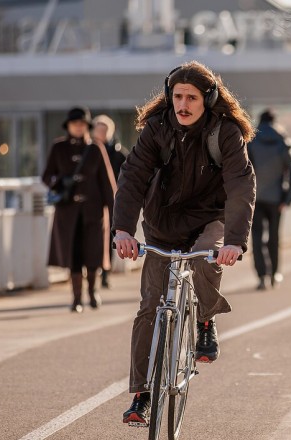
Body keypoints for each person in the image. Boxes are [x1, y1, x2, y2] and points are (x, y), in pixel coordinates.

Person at [112, 61, 256, 426]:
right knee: (149, 308)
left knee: (207, 259)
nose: (183, 104)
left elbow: (241, 185)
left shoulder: (224, 133)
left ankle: (205, 320)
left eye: (192, 97)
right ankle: (143, 396)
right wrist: (123, 230)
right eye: (177, 96)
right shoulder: (156, 130)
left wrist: (235, 242)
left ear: (207, 99)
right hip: (163, 223)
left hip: (211, 218)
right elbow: (132, 178)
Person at [42, 106, 115, 313]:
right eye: (75, 124)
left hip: (93, 211)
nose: (78, 127)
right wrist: (59, 181)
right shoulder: (58, 148)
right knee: (73, 255)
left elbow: (107, 184)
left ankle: (92, 292)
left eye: (82, 124)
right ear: (69, 126)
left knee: (93, 255)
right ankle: (76, 298)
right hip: (67, 213)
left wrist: (115, 212)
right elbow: (46, 176)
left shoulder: (96, 149)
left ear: (87, 126)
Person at [247, 109, 291, 290]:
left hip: (255, 198)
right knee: (274, 237)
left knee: (257, 237)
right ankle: (275, 274)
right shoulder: (283, 142)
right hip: (277, 199)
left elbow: (244, 170)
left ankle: (262, 275)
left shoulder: (251, 141)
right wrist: (288, 198)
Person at [91, 114, 126, 289]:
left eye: (103, 131)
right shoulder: (88, 151)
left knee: (109, 237)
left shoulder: (118, 153)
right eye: (98, 130)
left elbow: (130, 174)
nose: (100, 134)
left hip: (112, 200)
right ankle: (91, 273)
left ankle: (105, 272)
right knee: (92, 237)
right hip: (92, 200)